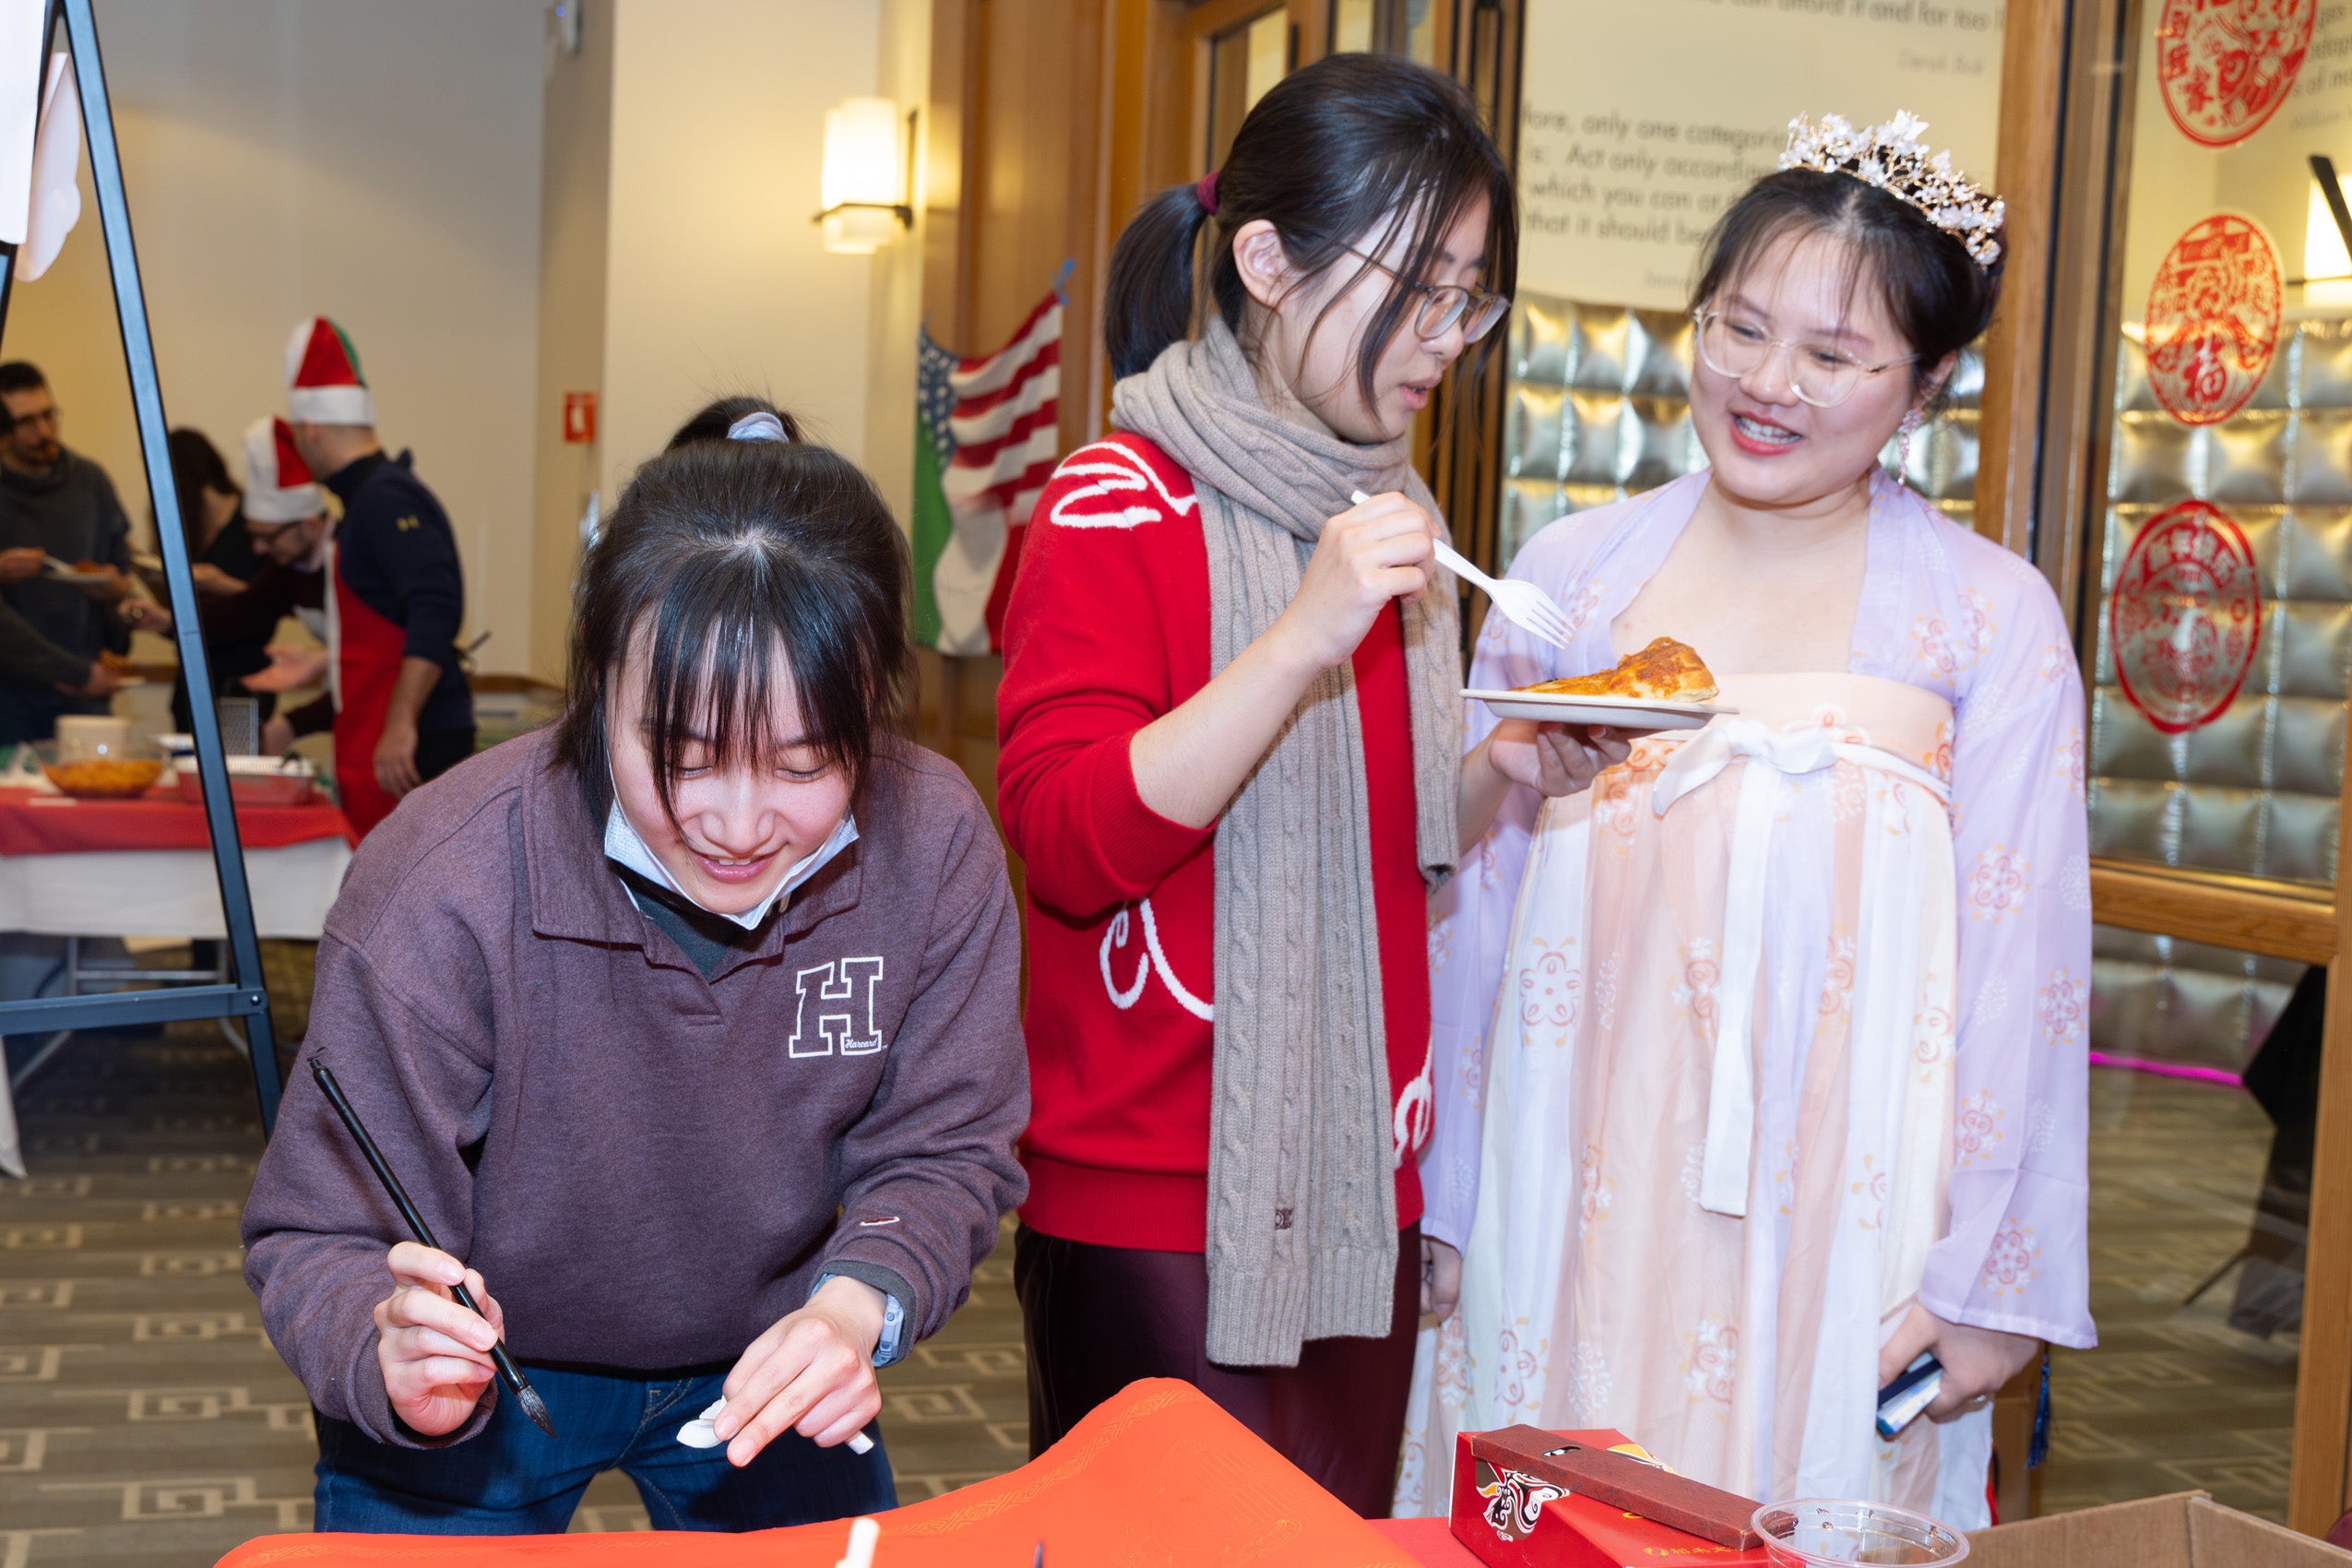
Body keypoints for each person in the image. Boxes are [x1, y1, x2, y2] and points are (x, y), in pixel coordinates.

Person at [1397, 114, 2094, 1526]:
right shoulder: (1569, 582)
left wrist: (1987, 1277)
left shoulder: (1986, 618)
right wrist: (1448, 1198)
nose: (1764, 386)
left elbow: (2028, 978)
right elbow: (1466, 906)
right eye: (1739, 328)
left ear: (1926, 385)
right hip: (1573, 1167)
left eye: (1832, 358)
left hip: (1851, 1203)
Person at [240, 398, 1028, 1534]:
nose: (740, 824)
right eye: (687, 760)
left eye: (806, 761)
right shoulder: (449, 873)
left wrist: (858, 1305)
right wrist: (387, 1341)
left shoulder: (932, 836)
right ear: (598, 684)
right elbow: (318, 1228)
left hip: (777, 1347)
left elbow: (950, 1144)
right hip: (491, 1371)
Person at [994, 53, 1563, 1517]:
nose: (1445, 335)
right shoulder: (1111, 502)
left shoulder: (1392, 517)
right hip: (1153, 1195)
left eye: (1468, 295)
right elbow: (1063, 844)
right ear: (1262, 259)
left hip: (1353, 1190)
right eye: (1415, 287)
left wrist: (1504, 768)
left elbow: (1375, 845)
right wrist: (1301, 636)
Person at [278, 315, 473, 832]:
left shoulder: (385, 499)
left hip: (412, 746)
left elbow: (436, 607)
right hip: (379, 736)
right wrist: (326, 660)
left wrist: (401, 722)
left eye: (297, 436)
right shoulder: (367, 500)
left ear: (312, 429)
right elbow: (387, 615)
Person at [0, 361, 131, 743]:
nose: (44, 431)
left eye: (49, 415)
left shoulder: (90, 482)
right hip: (9, 700)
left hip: (85, 698)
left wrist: (115, 592)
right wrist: (74, 672)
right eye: (27, 422)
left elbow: (121, 576)